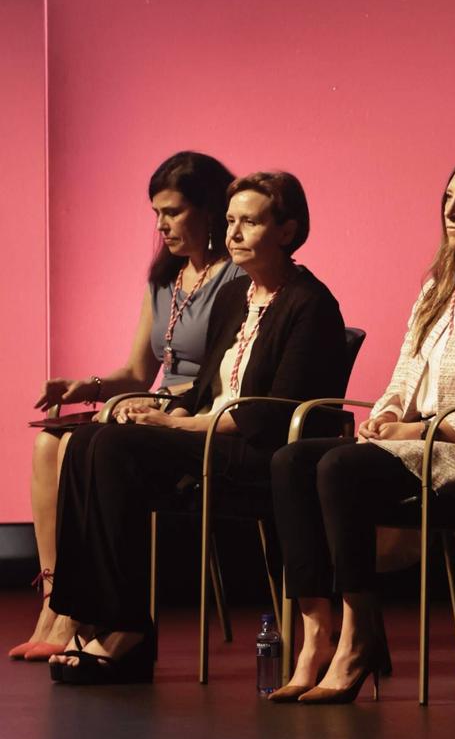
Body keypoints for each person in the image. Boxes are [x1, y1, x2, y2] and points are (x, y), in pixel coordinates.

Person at [267, 153, 455, 707]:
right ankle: (317, 634)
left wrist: (416, 432)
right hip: (408, 448)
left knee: (339, 464)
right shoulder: (437, 292)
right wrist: (385, 415)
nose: (451, 212)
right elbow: (403, 379)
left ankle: (359, 636)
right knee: (290, 461)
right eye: (448, 198)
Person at [46, 169, 346, 685]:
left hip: (258, 454)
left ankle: (127, 629)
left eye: (249, 222)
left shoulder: (310, 305)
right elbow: (211, 389)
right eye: (230, 221)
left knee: (116, 450)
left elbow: (266, 416)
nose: (233, 234)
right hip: (213, 435)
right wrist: (165, 412)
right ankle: (93, 615)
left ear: (288, 231)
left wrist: (175, 425)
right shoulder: (237, 298)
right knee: (87, 439)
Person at [14, 148, 241, 662]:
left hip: (193, 413)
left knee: (79, 447)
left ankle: (81, 608)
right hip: (153, 403)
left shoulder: (237, 278)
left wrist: (140, 405)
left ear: (208, 210)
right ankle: (56, 602)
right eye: (156, 214)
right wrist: (87, 387)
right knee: (48, 443)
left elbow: (223, 378)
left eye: (172, 212)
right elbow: (138, 371)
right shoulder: (166, 279)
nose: (161, 225)